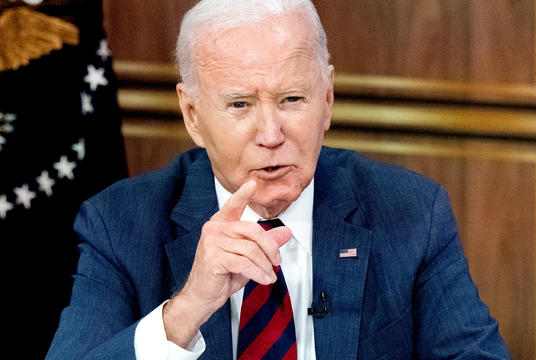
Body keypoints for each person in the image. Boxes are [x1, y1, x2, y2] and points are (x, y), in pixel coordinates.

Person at [47, 0, 510, 358]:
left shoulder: (410, 212)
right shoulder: (121, 224)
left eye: (292, 99)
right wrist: (186, 309)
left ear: (326, 99)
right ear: (192, 114)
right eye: (239, 105)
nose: (271, 135)